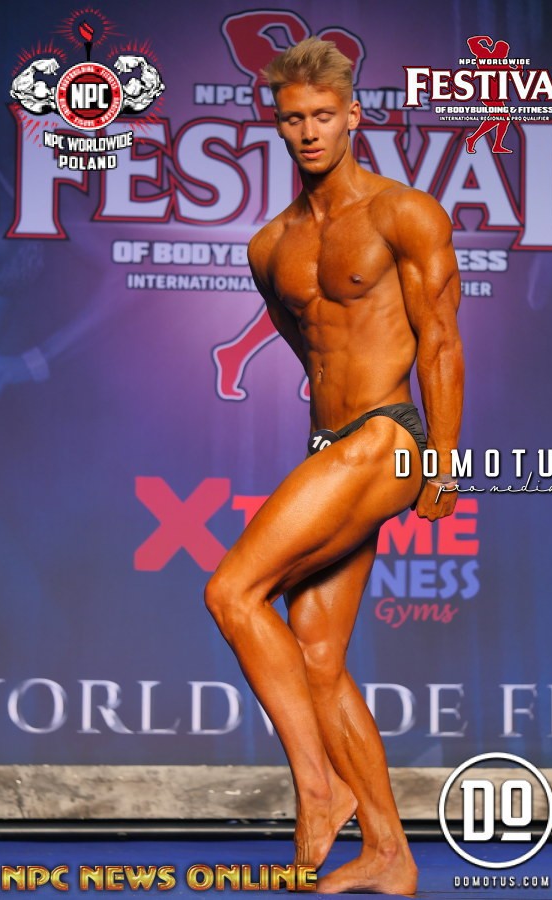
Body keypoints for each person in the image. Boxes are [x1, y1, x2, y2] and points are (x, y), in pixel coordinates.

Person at [205, 37, 464, 895]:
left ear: (353, 115)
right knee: (317, 654)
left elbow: (440, 341)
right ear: (276, 125)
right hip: (331, 445)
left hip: (388, 436)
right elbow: (310, 351)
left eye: (323, 115)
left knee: (232, 592)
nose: (310, 131)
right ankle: (390, 852)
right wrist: (330, 439)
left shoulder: (404, 213)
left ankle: (319, 788)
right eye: (294, 119)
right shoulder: (269, 246)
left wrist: (442, 460)